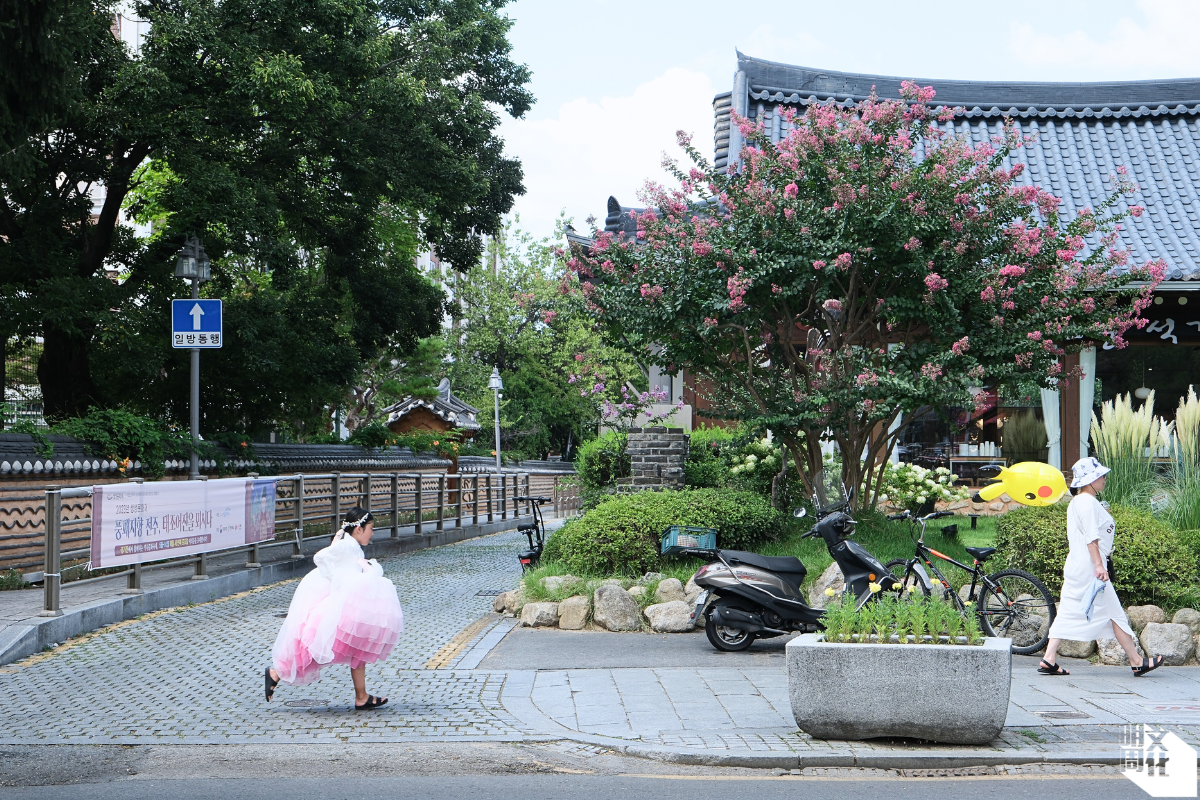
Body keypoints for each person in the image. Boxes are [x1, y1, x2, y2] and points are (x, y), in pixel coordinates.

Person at [264, 507, 404, 709]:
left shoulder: (352, 545)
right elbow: (321, 557)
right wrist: (338, 581)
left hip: (349, 602)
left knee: (357, 645)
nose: (373, 533)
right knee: (320, 644)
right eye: (371, 528)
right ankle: (276, 673)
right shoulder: (347, 545)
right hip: (340, 602)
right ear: (358, 529)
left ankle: (362, 696)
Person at [1038, 457, 1164, 677]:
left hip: (1077, 564)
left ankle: (1049, 657)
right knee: (1115, 613)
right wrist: (1099, 566)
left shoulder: (1078, 502)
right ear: (1089, 480)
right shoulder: (1087, 502)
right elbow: (1091, 538)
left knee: (1068, 609)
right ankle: (1136, 661)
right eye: (1100, 476)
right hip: (1090, 568)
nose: (1104, 479)